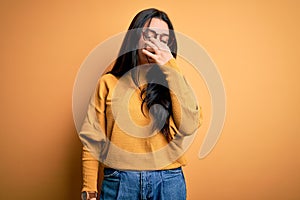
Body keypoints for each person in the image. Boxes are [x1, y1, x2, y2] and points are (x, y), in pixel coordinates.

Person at [79, 8, 202, 200]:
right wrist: (89, 191)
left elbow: (189, 126)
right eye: (149, 35)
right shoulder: (108, 83)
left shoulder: (175, 82)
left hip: (168, 182)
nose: (156, 43)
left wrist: (170, 67)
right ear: (134, 39)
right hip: (120, 182)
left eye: (163, 38)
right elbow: (92, 141)